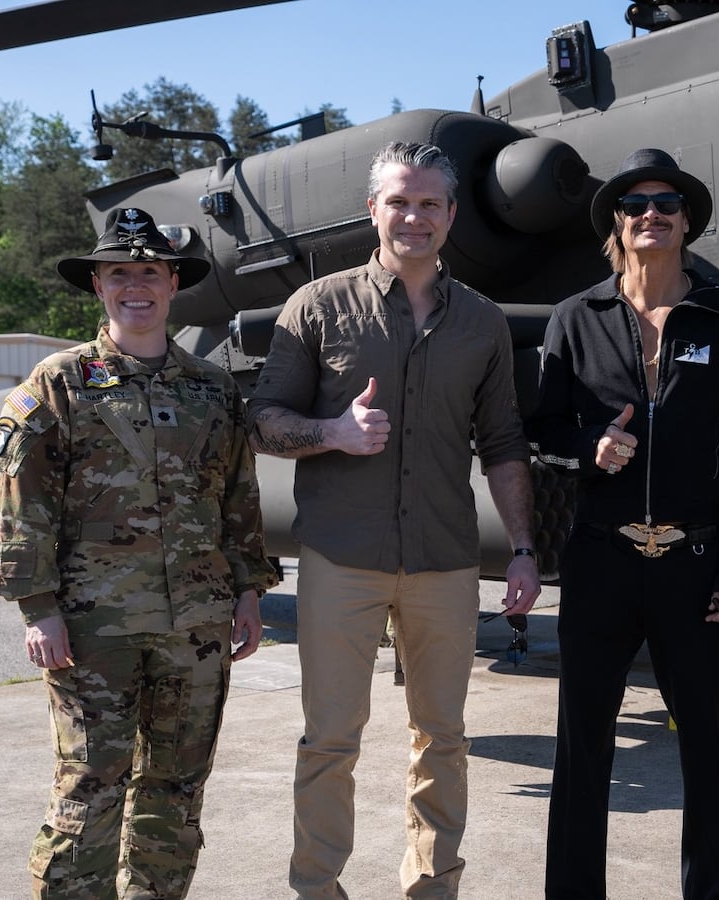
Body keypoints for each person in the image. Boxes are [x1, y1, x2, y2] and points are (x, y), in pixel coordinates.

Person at [246, 140, 540, 900]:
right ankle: (317, 887)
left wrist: (523, 547)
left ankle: (432, 885)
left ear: (450, 214)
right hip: (343, 556)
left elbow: (503, 441)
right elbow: (265, 420)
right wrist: (333, 434)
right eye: (400, 201)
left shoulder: (481, 322)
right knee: (331, 740)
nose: (415, 216)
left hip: (443, 559)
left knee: (442, 739)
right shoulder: (316, 305)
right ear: (373, 210)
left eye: (431, 203)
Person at [0, 206, 279, 898]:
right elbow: (23, 502)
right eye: (119, 273)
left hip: (197, 628)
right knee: (90, 787)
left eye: (149, 271)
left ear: (173, 281)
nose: (135, 286)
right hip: (94, 628)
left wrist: (247, 591)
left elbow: (236, 496)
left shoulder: (212, 390)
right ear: (98, 286)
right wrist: (38, 608)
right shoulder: (59, 384)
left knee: (176, 792)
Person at [527, 148, 719, 900]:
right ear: (616, 224)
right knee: (584, 744)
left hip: (694, 566)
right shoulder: (577, 317)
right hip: (602, 562)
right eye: (635, 206)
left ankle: (712, 893)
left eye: (667, 203)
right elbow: (542, 430)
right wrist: (590, 448)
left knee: (707, 748)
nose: (652, 215)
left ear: (686, 220)